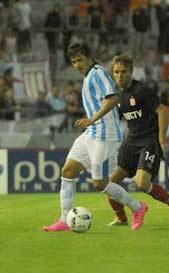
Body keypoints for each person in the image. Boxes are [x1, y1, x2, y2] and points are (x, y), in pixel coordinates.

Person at [42, 43, 148, 232]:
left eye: (79, 60)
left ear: (89, 57)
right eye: (73, 62)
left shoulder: (98, 73)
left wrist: (92, 119)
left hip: (106, 135)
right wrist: (92, 123)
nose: (77, 65)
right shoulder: (88, 75)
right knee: (67, 171)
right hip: (92, 133)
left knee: (100, 183)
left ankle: (138, 208)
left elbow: (113, 99)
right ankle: (65, 220)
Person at [106, 54, 169, 226]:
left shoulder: (141, 90)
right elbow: (116, 120)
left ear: (132, 71)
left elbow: (162, 111)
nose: (120, 76)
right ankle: (121, 218)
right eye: (116, 72)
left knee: (141, 183)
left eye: (124, 72)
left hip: (148, 142)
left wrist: (161, 141)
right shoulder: (117, 95)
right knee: (109, 184)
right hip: (131, 143)